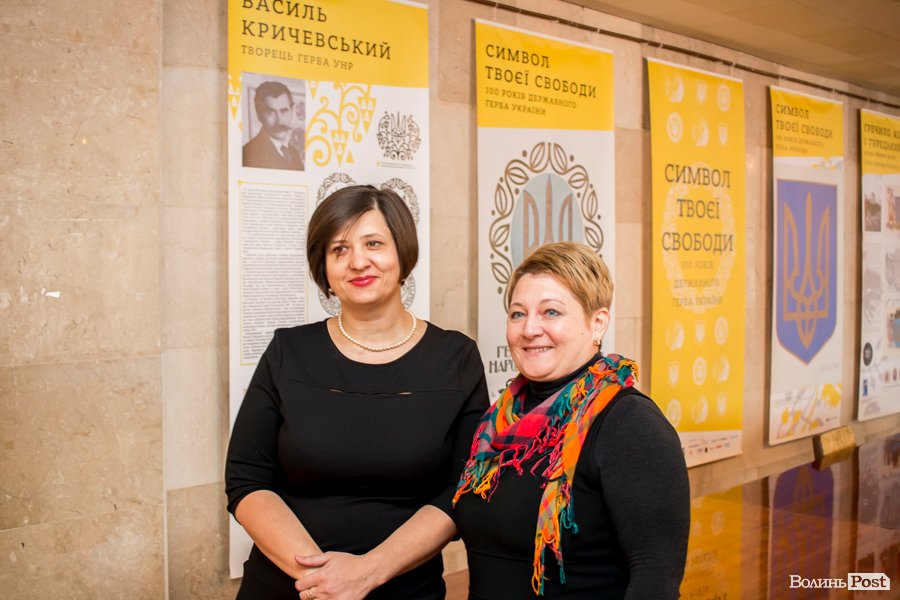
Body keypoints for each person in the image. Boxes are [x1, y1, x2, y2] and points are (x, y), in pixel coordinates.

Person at [226, 185, 489, 599]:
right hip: (290, 586)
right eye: (339, 249)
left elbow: (462, 490)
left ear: (402, 251)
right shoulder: (288, 352)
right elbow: (247, 479)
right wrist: (321, 581)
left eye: (373, 243)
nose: (358, 261)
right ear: (325, 267)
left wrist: (367, 572)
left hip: (404, 588)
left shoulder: (455, 358)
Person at [454, 242, 690, 599]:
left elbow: (655, 577)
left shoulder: (631, 424)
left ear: (597, 323)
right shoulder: (499, 422)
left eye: (551, 312)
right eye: (518, 314)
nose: (529, 328)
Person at [242, 80, 305, 170]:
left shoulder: (294, 154)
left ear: (292, 111)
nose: (279, 120)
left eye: (284, 111)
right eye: (270, 112)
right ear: (259, 115)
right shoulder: (247, 153)